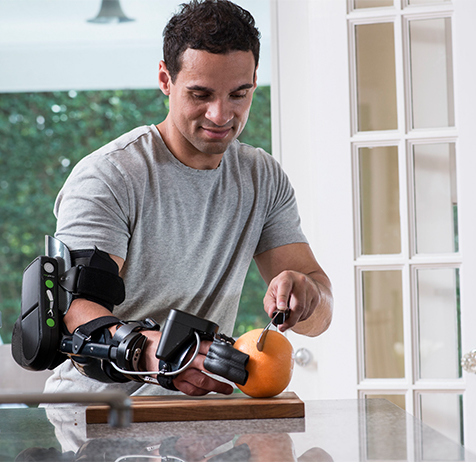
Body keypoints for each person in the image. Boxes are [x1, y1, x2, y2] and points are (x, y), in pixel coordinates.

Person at [44, 0, 333, 398]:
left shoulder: (261, 177)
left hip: (197, 421)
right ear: (166, 79)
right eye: (200, 94)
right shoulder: (109, 176)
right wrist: (158, 356)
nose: (220, 114)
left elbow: (318, 319)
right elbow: (77, 315)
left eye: (239, 93)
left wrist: (308, 296)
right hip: (95, 417)